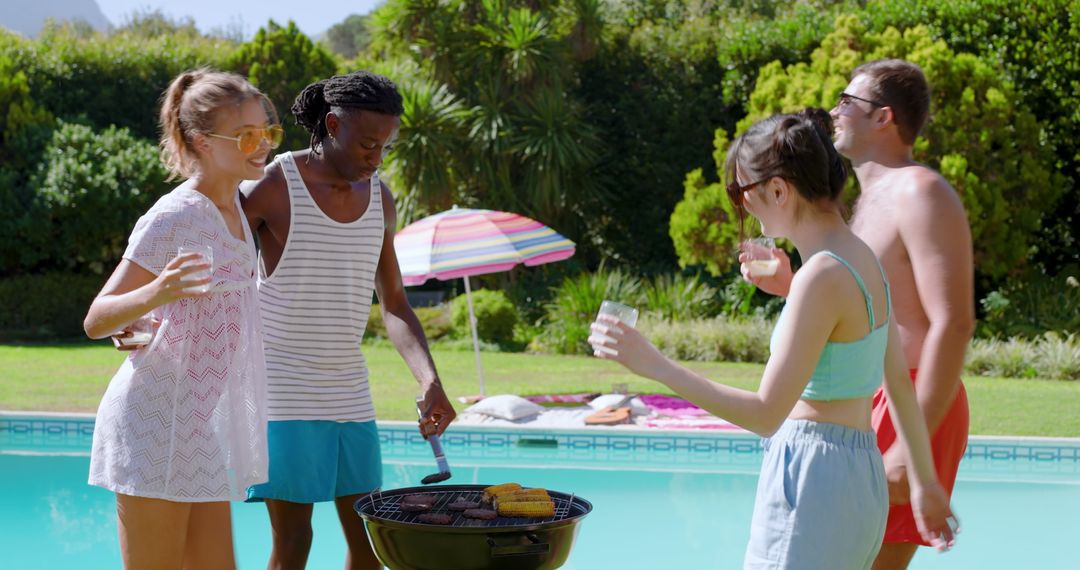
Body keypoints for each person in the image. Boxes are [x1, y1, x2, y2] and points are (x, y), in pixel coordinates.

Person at [590, 108, 956, 569]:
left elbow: (765, 414)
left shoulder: (819, 277)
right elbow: (891, 380)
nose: (741, 204)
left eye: (742, 191)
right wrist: (924, 481)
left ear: (778, 189)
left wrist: (655, 365)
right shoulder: (862, 259)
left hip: (812, 481)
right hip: (860, 477)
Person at [743, 60, 974, 570]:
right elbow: (859, 310)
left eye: (846, 101)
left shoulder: (919, 191)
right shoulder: (864, 203)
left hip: (911, 398)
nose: (833, 111)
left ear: (883, 117)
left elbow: (952, 323)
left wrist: (908, 456)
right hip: (867, 397)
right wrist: (791, 286)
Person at [240, 71, 457, 570]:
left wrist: (430, 380)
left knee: (371, 544)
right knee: (293, 544)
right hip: (283, 392)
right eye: (366, 144)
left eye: (384, 146)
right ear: (332, 124)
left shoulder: (380, 199)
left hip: (350, 392)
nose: (376, 157)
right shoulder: (273, 186)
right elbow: (212, 261)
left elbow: (396, 302)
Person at [84, 69, 281, 569]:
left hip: (198, 427)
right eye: (248, 135)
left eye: (269, 132)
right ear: (201, 141)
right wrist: (156, 292)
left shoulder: (235, 205)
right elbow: (97, 318)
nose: (263, 145)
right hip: (152, 427)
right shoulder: (175, 215)